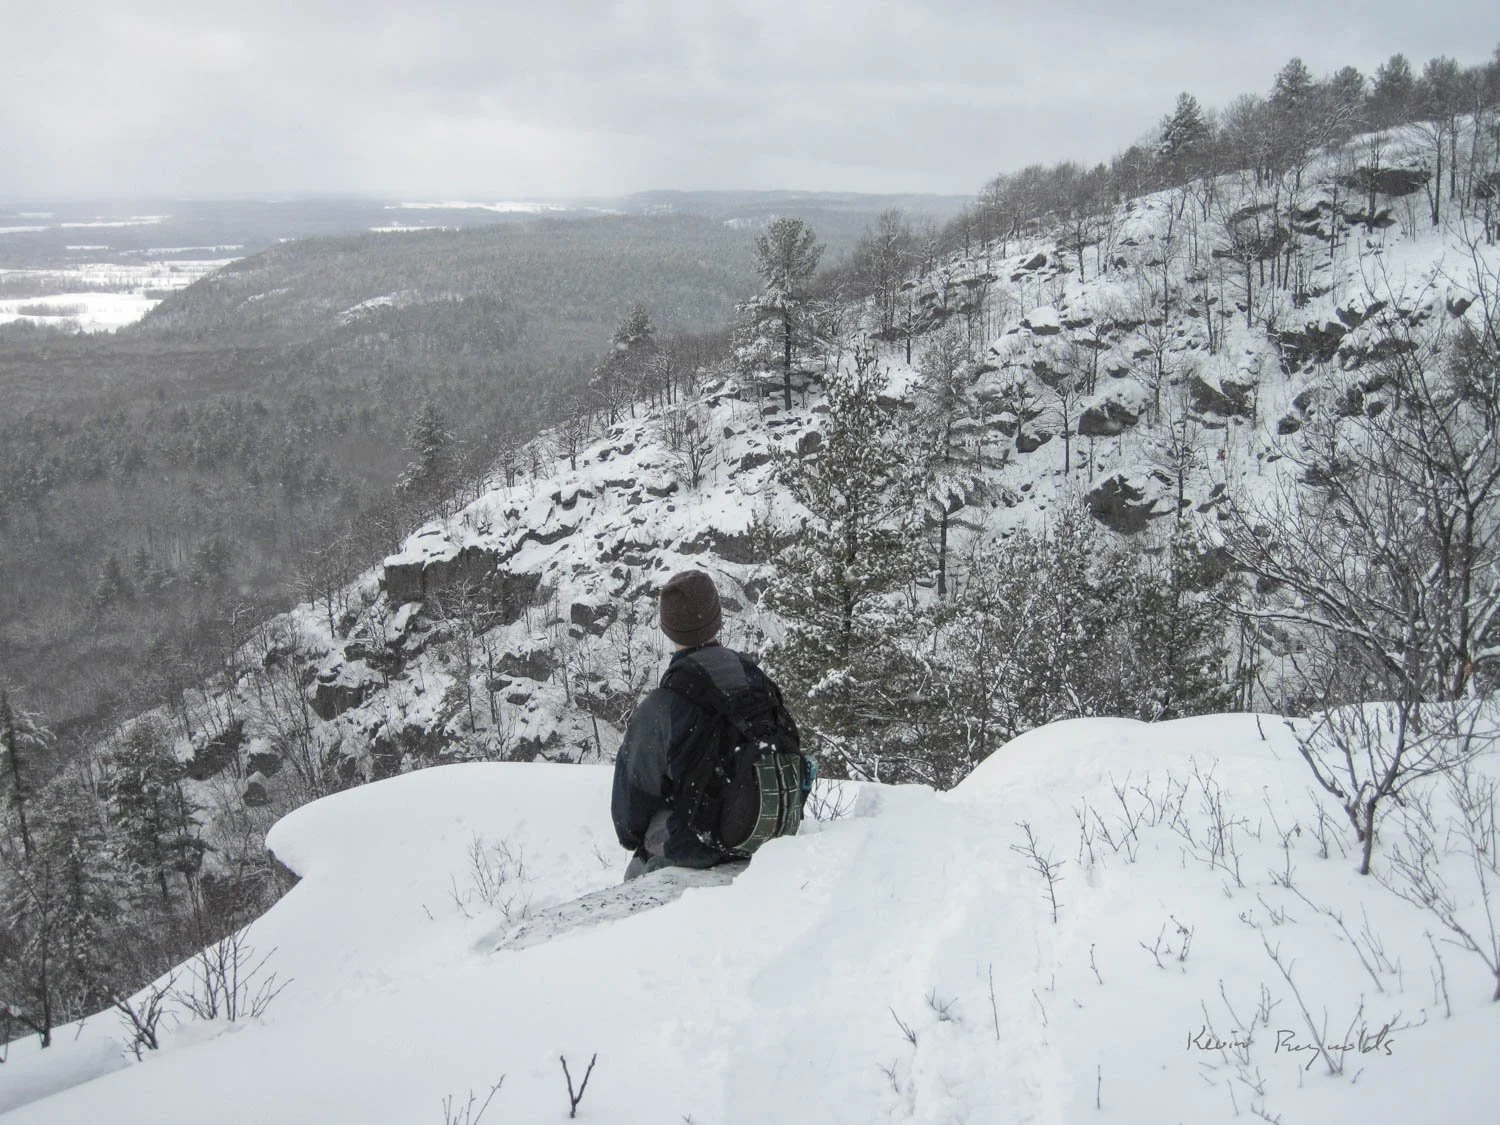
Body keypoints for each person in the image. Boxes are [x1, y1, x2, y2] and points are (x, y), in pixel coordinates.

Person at [611, 569, 800, 881]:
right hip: (770, 827)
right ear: (717, 619)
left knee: (645, 853)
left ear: (667, 629)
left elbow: (630, 815)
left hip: (707, 840)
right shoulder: (756, 679)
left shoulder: (662, 707)